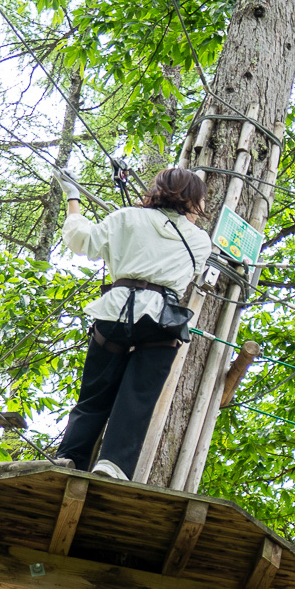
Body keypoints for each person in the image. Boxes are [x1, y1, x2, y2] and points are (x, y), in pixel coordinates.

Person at [52, 167, 212, 481]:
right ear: (192, 200)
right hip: (161, 322)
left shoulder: (126, 217)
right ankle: (112, 465)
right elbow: (188, 270)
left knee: (93, 397)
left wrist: (73, 197)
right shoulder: (199, 241)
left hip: (115, 313)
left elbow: (81, 240)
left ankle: (69, 458)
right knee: (137, 399)